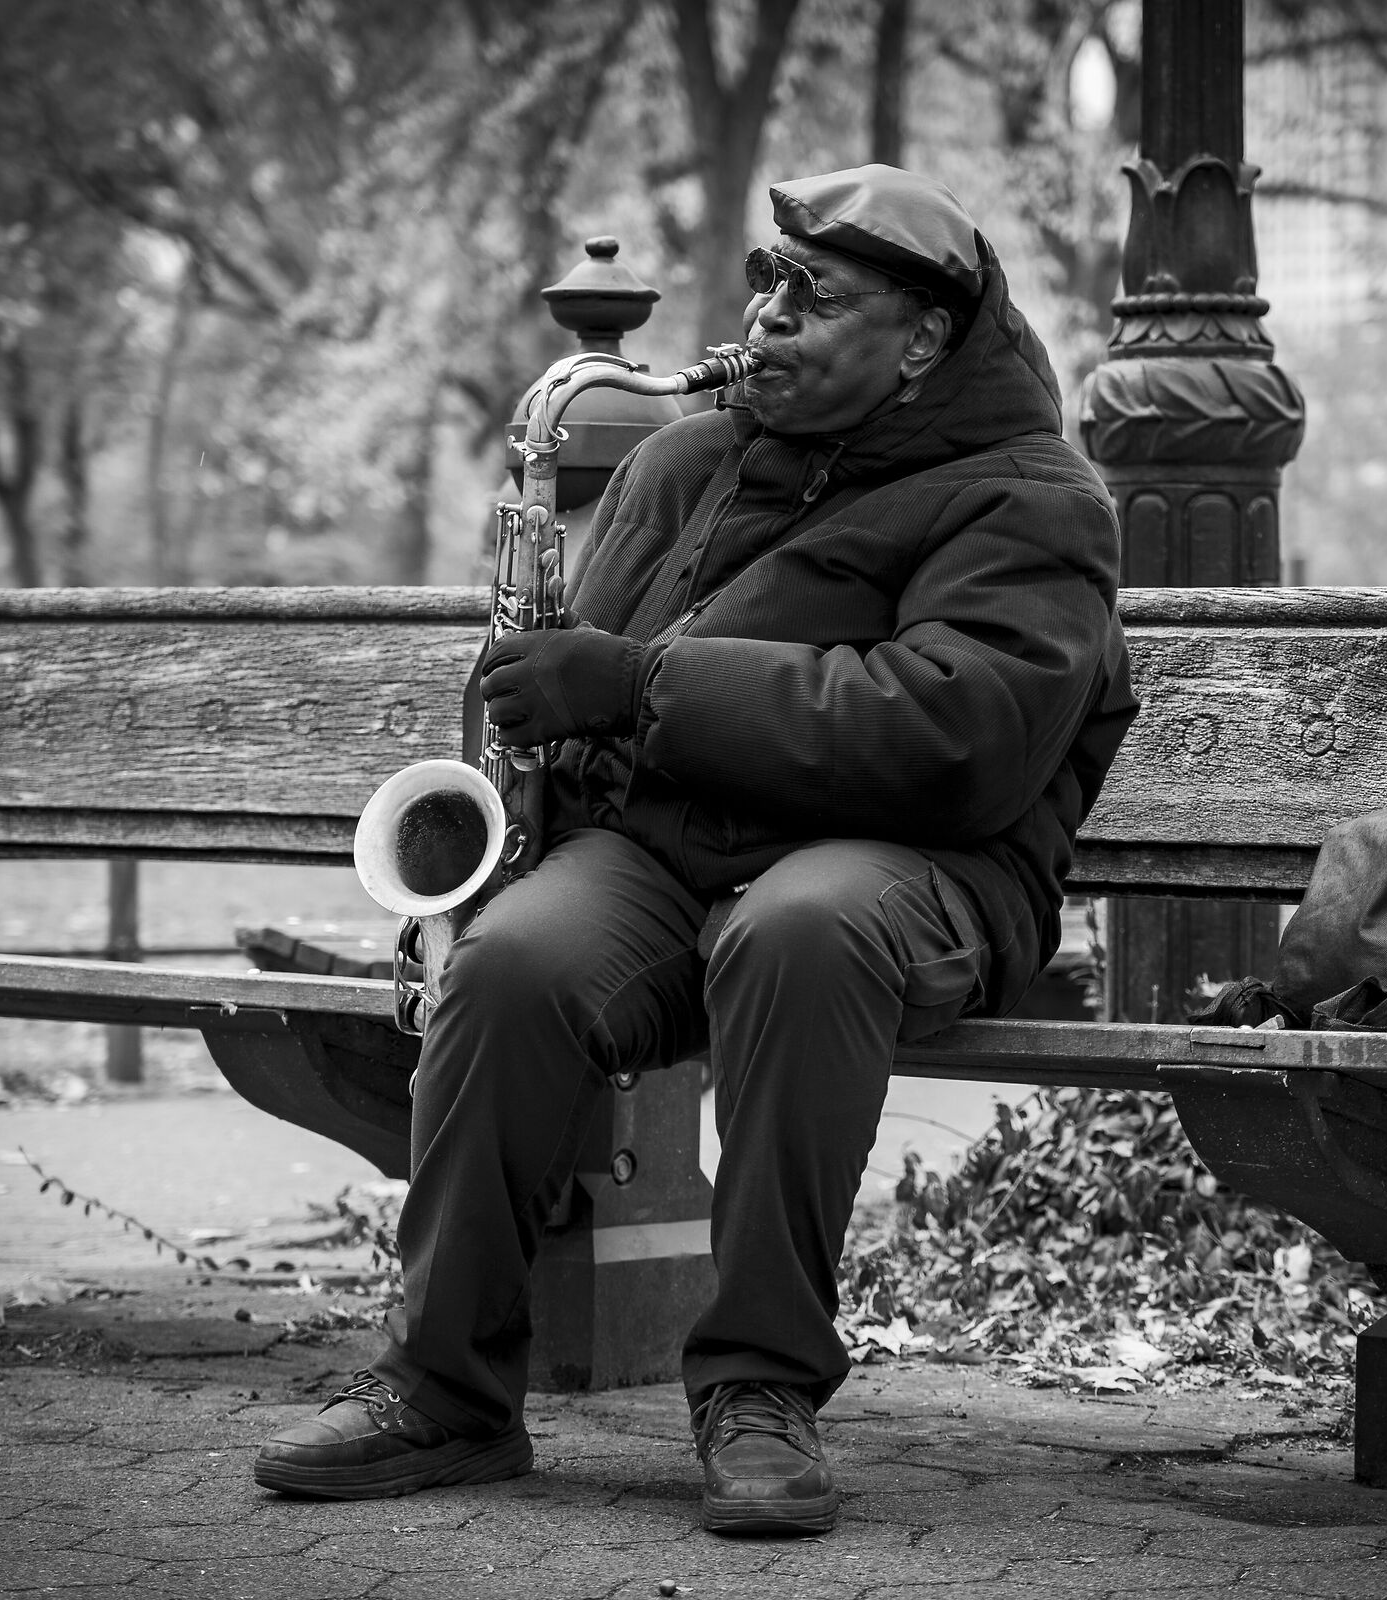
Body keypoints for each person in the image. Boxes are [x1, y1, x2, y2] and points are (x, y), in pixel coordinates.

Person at [255, 164, 1135, 1535]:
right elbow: (595, 698)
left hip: (922, 869)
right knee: (511, 968)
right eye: (767, 286)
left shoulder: (1033, 502)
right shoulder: (685, 462)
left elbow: (961, 741)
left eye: (815, 295)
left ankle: (758, 1390)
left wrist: (639, 691)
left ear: (922, 340)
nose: (770, 318)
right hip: (674, 859)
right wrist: (548, 738)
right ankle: (446, 1392)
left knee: (800, 930)